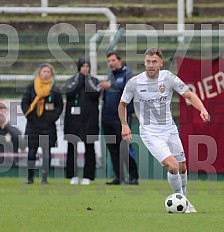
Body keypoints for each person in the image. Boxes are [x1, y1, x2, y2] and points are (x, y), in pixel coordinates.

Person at [118, 48, 210, 213]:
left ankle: (184, 200)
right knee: (173, 166)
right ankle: (182, 202)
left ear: (161, 63)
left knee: (182, 167)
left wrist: (202, 109)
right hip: (150, 133)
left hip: (170, 129)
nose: (151, 65)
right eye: (148, 62)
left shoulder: (168, 77)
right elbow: (122, 104)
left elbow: (189, 95)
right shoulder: (134, 83)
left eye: (154, 62)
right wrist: (125, 124)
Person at [64, 56, 109, 185]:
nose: (85, 68)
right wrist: (80, 80)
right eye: (83, 65)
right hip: (73, 120)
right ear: (79, 66)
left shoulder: (94, 81)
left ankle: (88, 176)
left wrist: (86, 80)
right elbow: (69, 93)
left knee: (89, 147)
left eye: (87, 66)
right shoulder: (72, 80)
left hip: (90, 121)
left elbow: (94, 94)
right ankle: (72, 175)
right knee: (72, 147)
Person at [21, 63, 63, 184]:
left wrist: (53, 117)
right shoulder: (31, 87)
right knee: (32, 152)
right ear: (39, 73)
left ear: (51, 74)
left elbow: (59, 105)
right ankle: (30, 177)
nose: (46, 74)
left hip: (48, 126)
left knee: (46, 153)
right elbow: (25, 102)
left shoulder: (55, 89)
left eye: (48, 72)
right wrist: (29, 116)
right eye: (44, 71)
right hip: (33, 125)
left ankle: (44, 178)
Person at [101, 51, 139, 185]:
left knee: (124, 147)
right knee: (113, 149)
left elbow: (130, 89)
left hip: (121, 119)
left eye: (113, 60)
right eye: (109, 61)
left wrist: (111, 85)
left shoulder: (127, 73)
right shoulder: (111, 76)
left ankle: (134, 176)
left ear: (119, 60)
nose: (110, 63)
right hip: (107, 117)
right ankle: (119, 177)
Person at [0, 100, 23, 165]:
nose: (0, 111)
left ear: (7, 111)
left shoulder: (15, 132)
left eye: (2, 108)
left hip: (11, 168)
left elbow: (24, 151)